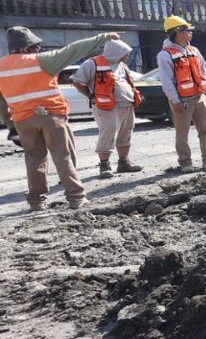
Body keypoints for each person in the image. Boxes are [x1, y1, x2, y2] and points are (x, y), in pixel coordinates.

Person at [0, 27, 119, 210]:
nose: (37, 49)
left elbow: (1, 103)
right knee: (62, 156)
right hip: (50, 116)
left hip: (22, 120)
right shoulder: (42, 61)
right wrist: (103, 37)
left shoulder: (1, 67)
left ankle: (36, 201)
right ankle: (76, 198)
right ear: (26, 48)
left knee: (34, 158)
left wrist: (10, 124)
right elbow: (74, 49)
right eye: (34, 46)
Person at [71, 38, 143, 178]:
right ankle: (104, 166)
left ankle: (124, 163)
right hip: (107, 107)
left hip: (127, 105)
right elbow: (78, 81)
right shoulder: (92, 64)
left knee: (125, 134)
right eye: (125, 52)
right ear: (115, 52)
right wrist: (91, 96)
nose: (127, 55)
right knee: (107, 134)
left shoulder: (122, 65)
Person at [157, 16, 206, 173]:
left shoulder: (194, 51)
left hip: (199, 97)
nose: (190, 33)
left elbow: (203, 70)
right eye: (187, 30)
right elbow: (166, 80)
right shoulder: (165, 55)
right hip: (182, 100)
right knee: (182, 133)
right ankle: (185, 162)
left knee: (205, 130)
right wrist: (175, 100)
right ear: (178, 32)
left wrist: (203, 85)